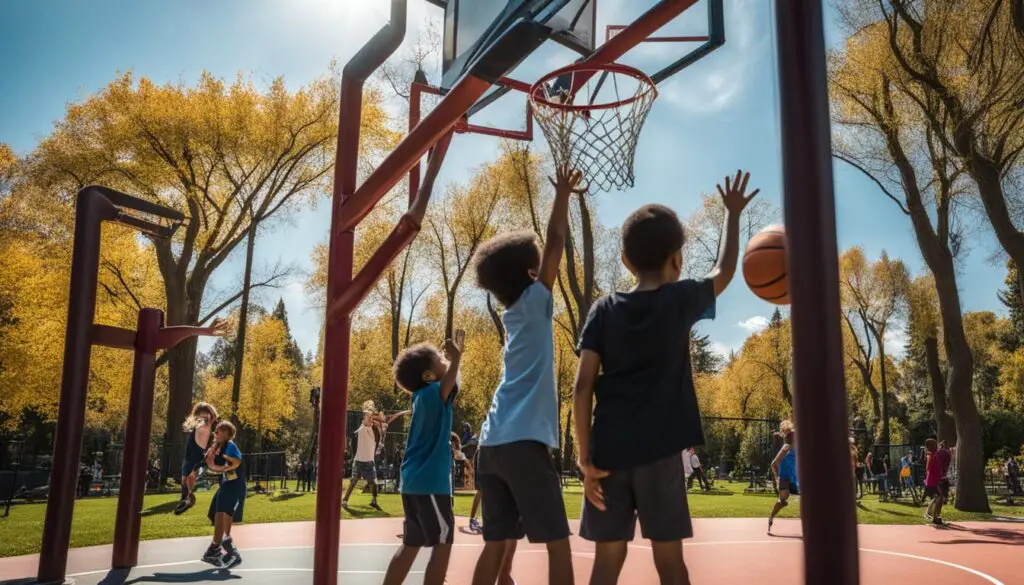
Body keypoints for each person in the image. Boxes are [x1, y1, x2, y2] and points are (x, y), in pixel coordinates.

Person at [574, 171, 759, 585]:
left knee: (606, 563)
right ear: (677, 259)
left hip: (608, 454)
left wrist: (585, 458)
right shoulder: (680, 299)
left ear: (625, 260)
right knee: (670, 563)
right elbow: (724, 271)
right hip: (660, 454)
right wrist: (732, 215)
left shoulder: (603, 310)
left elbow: (582, 386)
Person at [469, 165, 587, 585]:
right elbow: (556, 241)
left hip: (491, 444)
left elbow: (547, 249)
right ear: (531, 275)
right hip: (521, 444)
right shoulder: (535, 305)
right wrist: (562, 194)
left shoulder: (512, 314)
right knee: (557, 541)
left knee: (496, 545)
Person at [381, 330, 464, 585]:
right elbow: (452, 382)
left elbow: (450, 381)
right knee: (444, 542)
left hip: (412, 482)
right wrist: (457, 358)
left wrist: (450, 360)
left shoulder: (419, 396)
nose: (445, 360)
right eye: (440, 358)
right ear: (429, 376)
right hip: (430, 482)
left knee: (412, 543)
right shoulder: (433, 393)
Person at [202, 420, 245, 568]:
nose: (215, 434)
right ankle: (221, 548)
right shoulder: (218, 446)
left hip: (235, 486)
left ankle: (220, 548)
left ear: (226, 434)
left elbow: (237, 462)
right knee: (217, 513)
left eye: (218, 431)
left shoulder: (230, 446)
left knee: (222, 513)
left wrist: (225, 462)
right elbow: (210, 464)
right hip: (226, 485)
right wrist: (213, 454)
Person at [176, 402, 219, 515]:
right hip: (190, 453)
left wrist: (207, 408)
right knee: (185, 477)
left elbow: (213, 416)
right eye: (202, 415)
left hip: (197, 453)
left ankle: (186, 498)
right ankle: (187, 497)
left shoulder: (209, 423)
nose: (204, 417)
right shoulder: (199, 423)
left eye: (206, 415)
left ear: (210, 415)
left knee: (188, 476)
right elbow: (196, 420)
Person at [343, 412, 385, 511]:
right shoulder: (363, 428)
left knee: (373, 484)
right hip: (358, 460)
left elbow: (381, 430)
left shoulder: (375, 434)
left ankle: (374, 501)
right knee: (353, 481)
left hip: (369, 461)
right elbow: (366, 419)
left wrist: (380, 422)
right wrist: (374, 417)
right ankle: (345, 500)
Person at [768, 430, 798, 534]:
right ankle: (771, 517)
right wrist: (777, 479)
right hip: (784, 477)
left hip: (795, 478)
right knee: (782, 501)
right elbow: (774, 464)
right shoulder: (786, 448)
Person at [923, 438, 947, 526]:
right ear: (932, 446)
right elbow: (928, 468)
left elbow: (939, 450)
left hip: (934, 481)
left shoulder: (933, 454)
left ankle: (931, 514)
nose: (937, 445)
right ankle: (934, 517)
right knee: (939, 497)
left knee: (938, 498)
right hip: (932, 481)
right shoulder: (932, 455)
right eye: (935, 444)